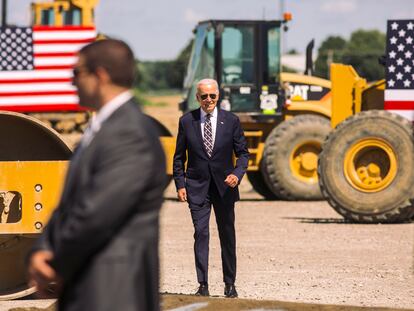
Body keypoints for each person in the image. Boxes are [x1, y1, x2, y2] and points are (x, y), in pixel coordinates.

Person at [27, 39, 165, 311]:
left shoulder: (130, 134)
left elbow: (98, 213)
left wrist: (54, 263)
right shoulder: (102, 128)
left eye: (76, 73)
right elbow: (69, 204)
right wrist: (40, 249)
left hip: (115, 290)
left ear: (100, 76)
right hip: (91, 284)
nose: (72, 82)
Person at [173, 78, 249, 298]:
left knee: (227, 234)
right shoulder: (187, 121)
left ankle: (230, 284)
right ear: (197, 98)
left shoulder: (231, 121)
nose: (208, 100)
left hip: (225, 188)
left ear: (218, 96)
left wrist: (237, 174)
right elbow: (179, 157)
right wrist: (180, 184)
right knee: (201, 233)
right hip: (196, 187)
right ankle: (203, 285)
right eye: (203, 96)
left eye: (212, 96)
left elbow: (243, 153)